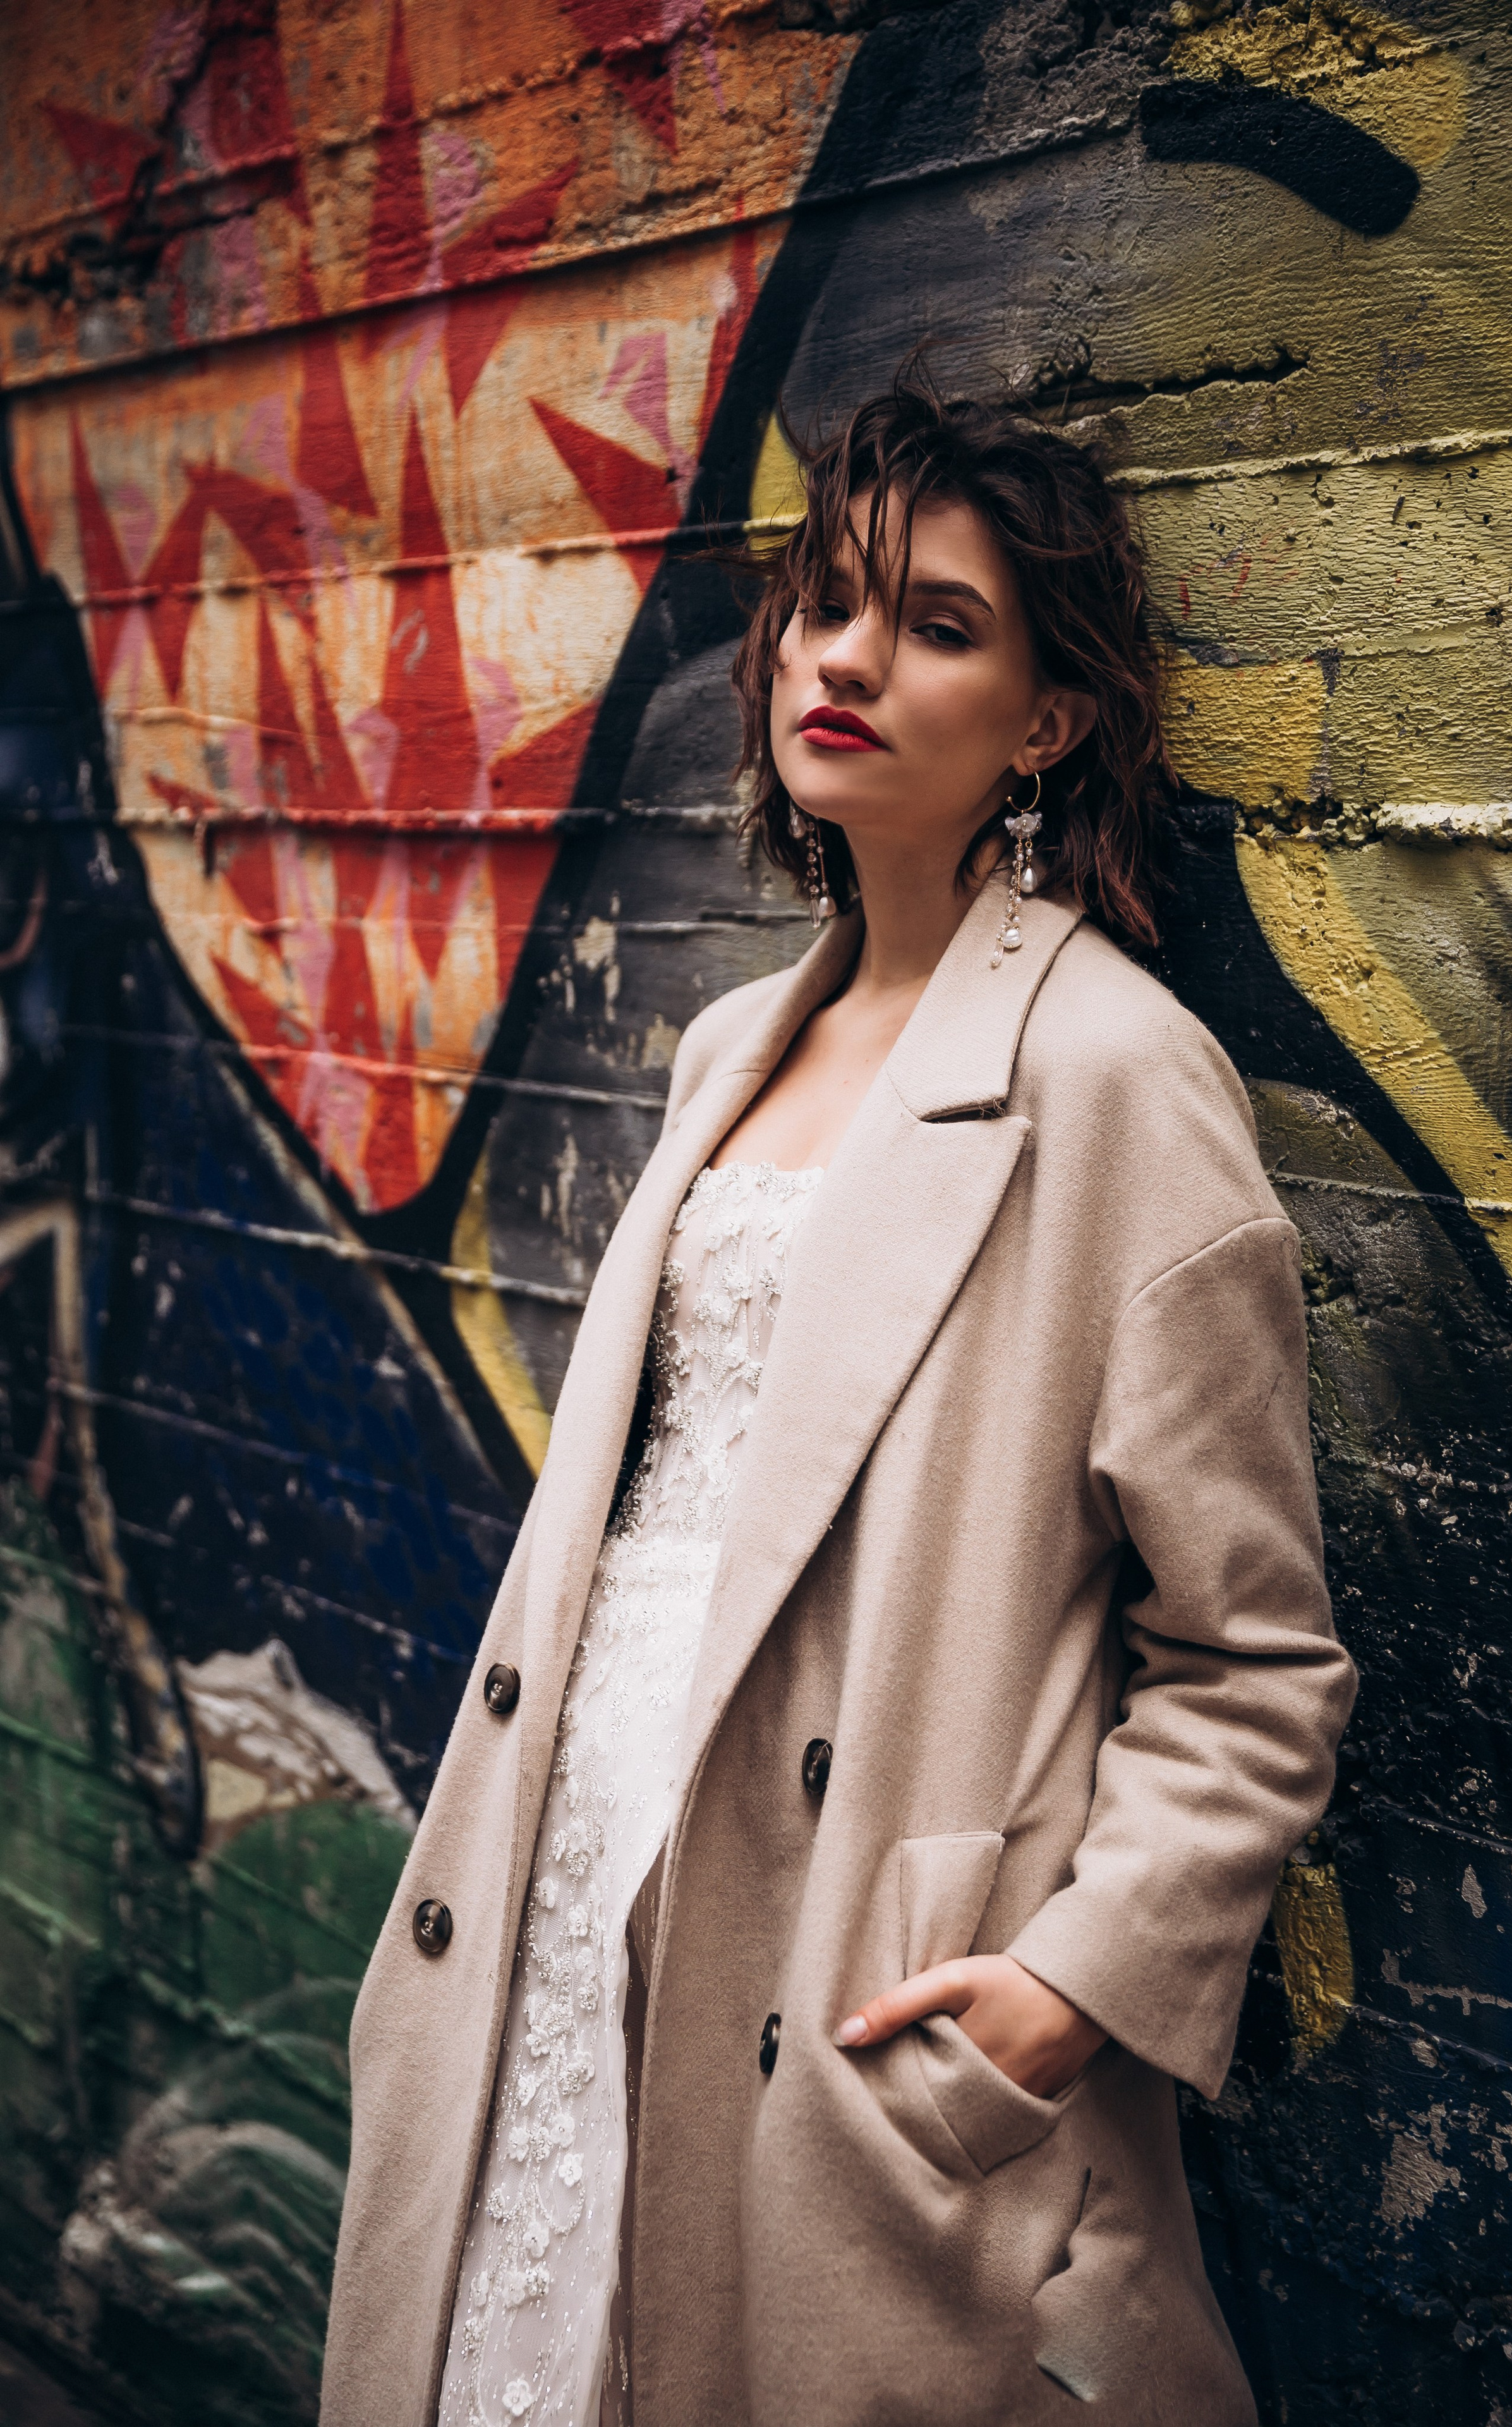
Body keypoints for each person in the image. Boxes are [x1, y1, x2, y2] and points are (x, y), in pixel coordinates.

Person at [320, 365, 1357, 2427]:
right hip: (582, 1844)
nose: (847, 660)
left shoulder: (1115, 1078)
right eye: (827, 605)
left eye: (938, 627)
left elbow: (1255, 1660)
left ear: (1047, 724)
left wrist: (1070, 1987)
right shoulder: (731, 1046)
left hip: (835, 1942)